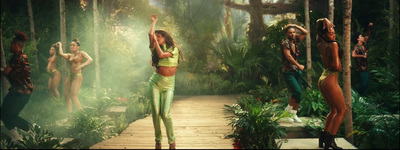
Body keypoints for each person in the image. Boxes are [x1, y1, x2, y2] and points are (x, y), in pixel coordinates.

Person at [147, 14, 183, 149]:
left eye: (159, 36)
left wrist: (154, 41)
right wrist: (154, 22)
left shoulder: (173, 49)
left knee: (166, 114)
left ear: (165, 38)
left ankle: (172, 141)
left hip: (169, 85)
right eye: (156, 37)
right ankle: (158, 141)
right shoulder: (155, 49)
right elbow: (150, 34)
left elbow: (163, 55)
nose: (156, 38)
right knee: (155, 112)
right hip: (155, 83)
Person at [316, 18, 346, 149]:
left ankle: (323, 138)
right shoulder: (333, 44)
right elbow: (337, 66)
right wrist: (340, 59)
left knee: (333, 109)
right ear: (323, 34)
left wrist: (324, 22)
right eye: (329, 30)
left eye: (333, 28)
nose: (333, 31)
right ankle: (330, 141)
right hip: (331, 79)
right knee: (341, 110)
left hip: (323, 78)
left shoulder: (320, 44)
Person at [0, 31, 34, 143]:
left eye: (11, 44)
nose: (10, 46)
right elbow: (7, 72)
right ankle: (17, 138)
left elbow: (6, 72)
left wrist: (3, 71)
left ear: (16, 45)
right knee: (5, 114)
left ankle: (31, 131)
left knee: (9, 115)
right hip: (18, 92)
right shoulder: (19, 57)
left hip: (21, 93)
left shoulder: (18, 57)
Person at [280, 23, 308, 123]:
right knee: (297, 91)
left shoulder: (295, 41)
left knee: (299, 95)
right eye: (290, 32)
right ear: (287, 34)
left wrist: (294, 25)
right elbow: (288, 56)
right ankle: (287, 111)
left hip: (297, 71)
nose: (293, 34)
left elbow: (305, 32)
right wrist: (298, 65)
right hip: (289, 71)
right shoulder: (285, 42)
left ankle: (293, 114)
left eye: (294, 32)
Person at [58, 39, 93, 112]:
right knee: (66, 96)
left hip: (77, 76)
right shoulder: (70, 55)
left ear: (78, 47)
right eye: (71, 45)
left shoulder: (81, 53)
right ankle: (69, 114)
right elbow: (61, 54)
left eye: (73, 45)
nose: (71, 46)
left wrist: (82, 65)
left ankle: (82, 115)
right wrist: (60, 45)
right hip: (70, 75)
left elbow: (90, 59)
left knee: (74, 97)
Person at [351, 22, 373, 97]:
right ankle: (353, 94)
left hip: (365, 68)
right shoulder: (356, 47)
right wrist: (362, 56)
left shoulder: (364, 44)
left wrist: (369, 27)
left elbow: (368, 35)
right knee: (363, 84)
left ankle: (363, 99)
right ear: (358, 39)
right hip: (360, 69)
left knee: (366, 84)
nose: (363, 37)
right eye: (361, 36)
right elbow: (353, 55)